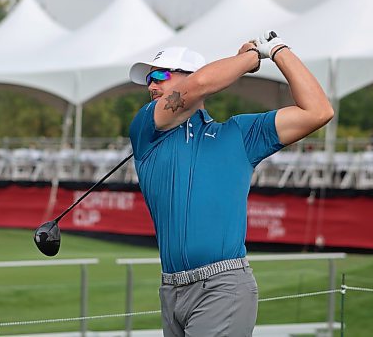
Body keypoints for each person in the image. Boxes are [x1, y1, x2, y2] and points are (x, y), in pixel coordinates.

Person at [128, 30, 333, 337]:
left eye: (160, 75)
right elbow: (195, 86)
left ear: (190, 75)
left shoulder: (238, 134)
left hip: (224, 286)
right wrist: (249, 60)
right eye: (148, 80)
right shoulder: (147, 127)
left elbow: (319, 111)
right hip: (170, 289)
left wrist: (276, 51)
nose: (152, 86)